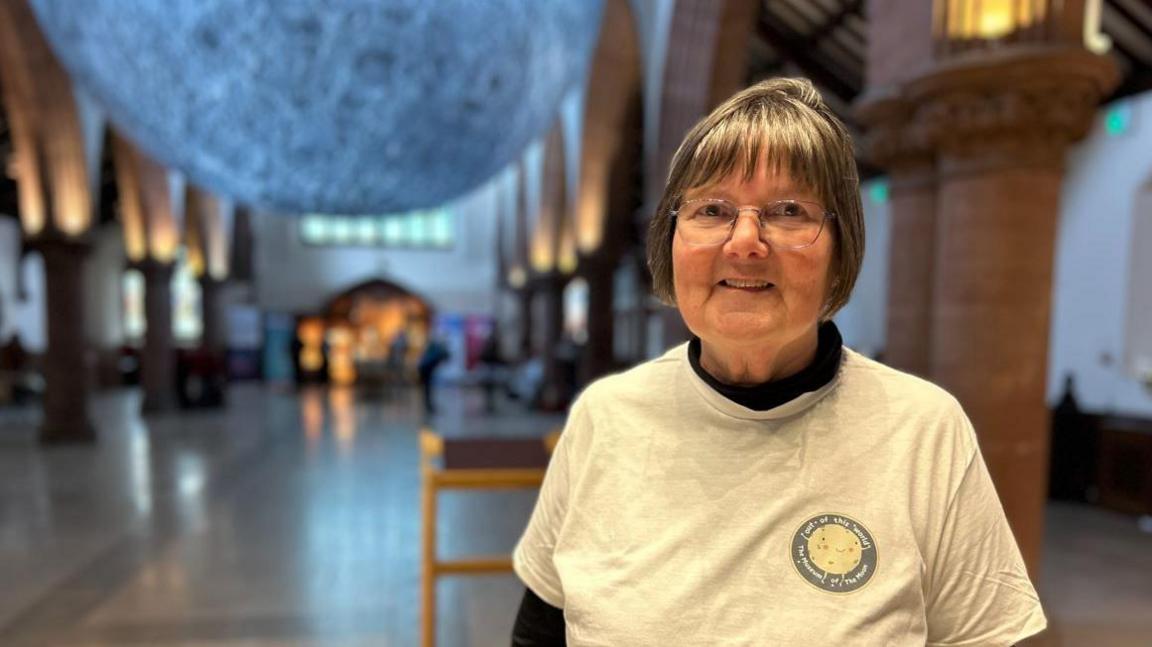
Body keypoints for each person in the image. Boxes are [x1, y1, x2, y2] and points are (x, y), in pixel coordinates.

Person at [511, 78, 1046, 645]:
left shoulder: (923, 430)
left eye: (789, 211)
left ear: (841, 249)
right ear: (670, 243)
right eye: (712, 209)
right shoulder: (606, 416)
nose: (745, 242)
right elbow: (540, 630)